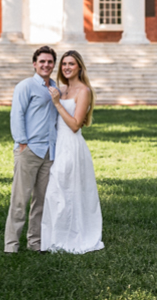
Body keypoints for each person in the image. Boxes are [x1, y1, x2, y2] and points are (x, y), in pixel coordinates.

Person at [41, 50, 104, 253]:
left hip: (71, 146)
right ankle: (55, 238)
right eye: (64, 64)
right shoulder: (63, 89)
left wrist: (58, 103)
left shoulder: (83, 91)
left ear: (79, 67)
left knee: (68, 191)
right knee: (55, 192)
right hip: (57, 145)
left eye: (71, 64)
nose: (67, 67)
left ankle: (73, 237)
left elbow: (76, 125)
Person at [4, 45, 58, 253]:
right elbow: (16, 115)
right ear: (34, 64)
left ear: (53, 65)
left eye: (50, 61)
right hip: (29, 151)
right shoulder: (25, 86)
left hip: (49, 153)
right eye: (42, 61)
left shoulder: (55, 88)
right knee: (20, 200)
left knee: (41, 201)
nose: (46, 65)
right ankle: (11, 246)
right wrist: (22, 142)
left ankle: (35, 243)